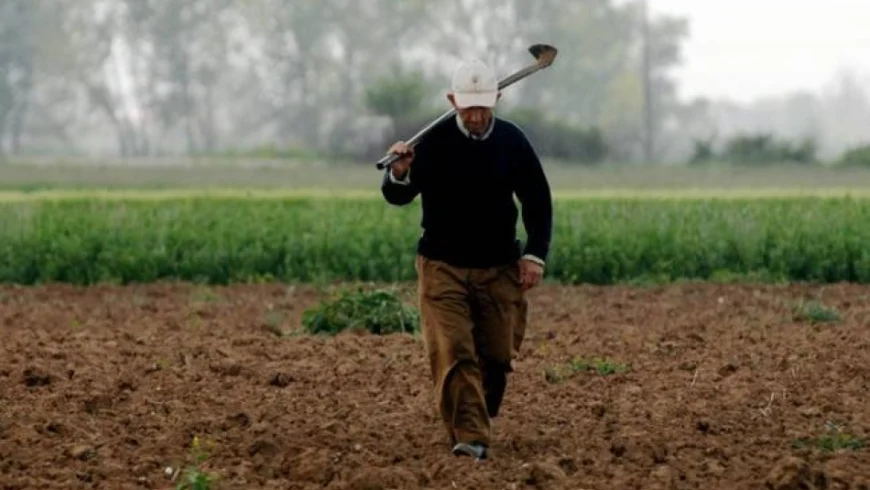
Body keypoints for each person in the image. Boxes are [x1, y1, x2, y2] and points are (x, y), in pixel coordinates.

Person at [380, 57, 553, 461]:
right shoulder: (432, 144)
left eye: (483, 107)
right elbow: (398, 195)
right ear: (452, 100)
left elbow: (538, 201)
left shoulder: (513, 142)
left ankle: (477, 412)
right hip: (443, 266)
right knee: (454, 351)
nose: (476, 116)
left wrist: (534, 255)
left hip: (498, 267)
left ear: (497, 99)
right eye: (468, 107)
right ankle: (472, 436)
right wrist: (400, 172)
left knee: (496, 357)